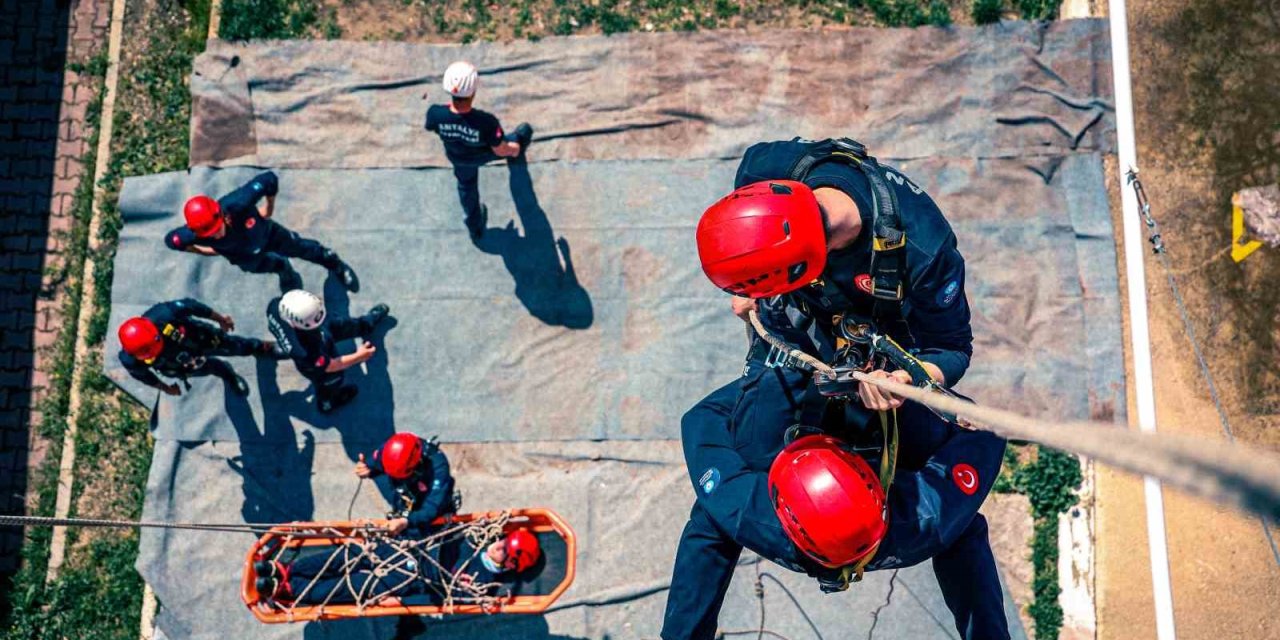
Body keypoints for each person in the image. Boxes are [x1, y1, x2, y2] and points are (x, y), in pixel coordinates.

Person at [661, 136, 1007, 639]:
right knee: (958, 527)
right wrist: (750, 284)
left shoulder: (924, 252)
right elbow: (981, 439)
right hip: (840, 349)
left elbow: (952, 348)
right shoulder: (769, 171)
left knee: (721, 497)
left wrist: (908, 377)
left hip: (883, 353)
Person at [662, 382, 1007, 640]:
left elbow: (703, 418)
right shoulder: (923, 520)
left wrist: (789, 378)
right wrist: (928, 391)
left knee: (712, 518)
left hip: (794, 525)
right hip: (897, 530)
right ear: (877, 486)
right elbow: (988, 430)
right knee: (963, 528)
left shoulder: (752, 513)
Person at [164, 172, 359, 293]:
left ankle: (332, 262)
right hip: (242, 255)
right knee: (268, 265)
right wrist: (203, 251)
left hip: (268, 234)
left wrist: (269, 208)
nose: (215, 236)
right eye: (209, 235)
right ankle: (286, 273)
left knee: (301, 248)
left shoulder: (238, 203)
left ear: (222, 216)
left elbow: (268, 179)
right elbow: (172, 241)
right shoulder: (191, 234)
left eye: (216, 230)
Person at [253, 529, 542, 606]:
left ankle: (289, 589)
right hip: (406, 549)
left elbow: (442, 600)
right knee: (350, 554)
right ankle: (288, 570)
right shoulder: (475, 537)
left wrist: (402, 600)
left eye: (506, 550)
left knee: (355, 585)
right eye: (504, 540)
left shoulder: (481, 585)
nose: (499, 545)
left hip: (410, 579)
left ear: (513, 564)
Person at [425, 61, 534, 240]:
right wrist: (513, 149)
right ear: (473, 92)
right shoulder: (486, 122)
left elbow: (431, 127)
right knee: (514, 140)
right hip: (482, 153)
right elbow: (499, 149)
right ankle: (519, 145)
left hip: (458, 157)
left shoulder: (435, 114)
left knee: (466, 187)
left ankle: (474, 225)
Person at [117, 298, 282, 397]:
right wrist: (165, 388)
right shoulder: (130, 359)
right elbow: (143, 376)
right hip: (181, 364)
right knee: (209, 368)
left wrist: (220, 319)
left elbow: (191, 306)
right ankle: (227, 373)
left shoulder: (163, 315)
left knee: (235, 346)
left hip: (200, 338)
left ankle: (260, 347)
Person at [266, 289, 390, 414]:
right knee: (330, 381)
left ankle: (366, 325)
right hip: (316, 357)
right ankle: (327, 403)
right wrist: (360, 356)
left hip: (316, 330)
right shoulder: (305, 351)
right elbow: (332, 366)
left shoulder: (275, 307)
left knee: (345, 325)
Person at [354, 432, 456, 536]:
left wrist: (406, 521)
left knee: (440, 528)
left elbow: (432, 507)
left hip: (431, 495)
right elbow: (373, 465)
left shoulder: (438, 467)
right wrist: (366, 469)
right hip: (403, 490)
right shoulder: (387, 450)